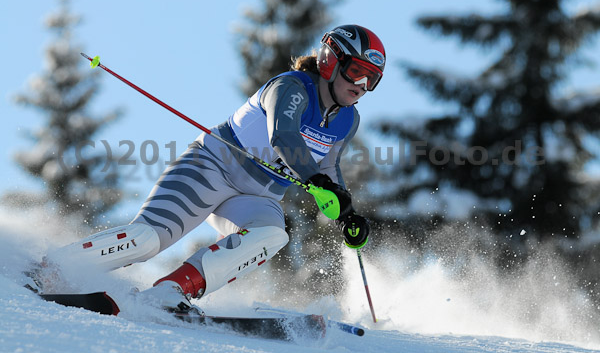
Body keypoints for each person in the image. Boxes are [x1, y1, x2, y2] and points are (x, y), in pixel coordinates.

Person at [37, 24, 386, 313]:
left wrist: (346, 212)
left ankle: (170, 293)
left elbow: (329, 166)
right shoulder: (292, 88)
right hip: (210, 169)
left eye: (372, 80)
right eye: (357, 72)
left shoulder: (348, 120)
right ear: (330, 61)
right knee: (146, 240)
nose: (362, 86)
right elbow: (284, 135)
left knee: (272, 234)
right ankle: (55, 267)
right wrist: (317, 180)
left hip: (256, 197)